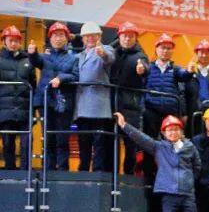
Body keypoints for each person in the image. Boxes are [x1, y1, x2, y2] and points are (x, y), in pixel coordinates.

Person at [114, 111, 209, 212]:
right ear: (164, 133)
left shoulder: (190, 147)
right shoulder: (159, 147)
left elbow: (197, 167)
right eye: (169, 130)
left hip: (187, 194)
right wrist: (124, 125)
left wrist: (188, 181)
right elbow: (141, 138)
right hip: (168, 195)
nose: (173, 132)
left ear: (181, 131)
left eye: (175, 129)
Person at [0, 26, 37, 170]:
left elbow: (33, 85)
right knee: (8, 143)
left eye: (16, 41)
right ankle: (10, 172)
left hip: (25, 108)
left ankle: (25, 173)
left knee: (27, 143)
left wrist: (33, 109)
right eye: (10, 40)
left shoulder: (28, 60)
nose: (14, 43)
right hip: (4, 109)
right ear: (4, 42)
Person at [31, 21, 79, 171]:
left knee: (62, 138)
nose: (58, 38)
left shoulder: (74, 58)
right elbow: (35, 61)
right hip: (45, 101)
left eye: (61, 35)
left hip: (64, 102)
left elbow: (76, 75)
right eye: (55, 35)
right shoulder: (44, 56)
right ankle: (48, 170)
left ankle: (63, 170)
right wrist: (32, 53)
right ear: (50, 38)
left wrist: (61, 78)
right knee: (48, 137)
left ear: (67, 38)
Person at [74, 22, 116, 172]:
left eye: (93, 35)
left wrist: (102, 53)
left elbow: (109, 58)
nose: (90, 38)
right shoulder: (78, 56)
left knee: (99, 143)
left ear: (99, 36)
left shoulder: (106, 49)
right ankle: (83, 172)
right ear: (82, 38)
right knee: (83, 142)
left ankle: (98, 173)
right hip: (82, 106)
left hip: (99, 106)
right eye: (87, 36)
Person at [108, 22, 149, 175]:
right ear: (119, 37)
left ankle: (129, 175)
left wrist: (142, 69)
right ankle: (111, 174)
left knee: (130, 142)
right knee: (110, 141)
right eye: (124, 36)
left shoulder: (140, 55)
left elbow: (145, 66)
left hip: (131, 106)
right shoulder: (112, 51)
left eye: (131, 36)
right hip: (111, 103)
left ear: (136, 38)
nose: (127, 39)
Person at [142, 34, 191, 140]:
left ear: (172, 51)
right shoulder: (148, 68)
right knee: (149, 140)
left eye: (169, 48)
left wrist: (189, 71)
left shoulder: (176, 69)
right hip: (151, 111)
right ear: (156, 49)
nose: (165, 51)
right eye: (163, 48)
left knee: (171, 141)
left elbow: (184, 76)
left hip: (170, 112)